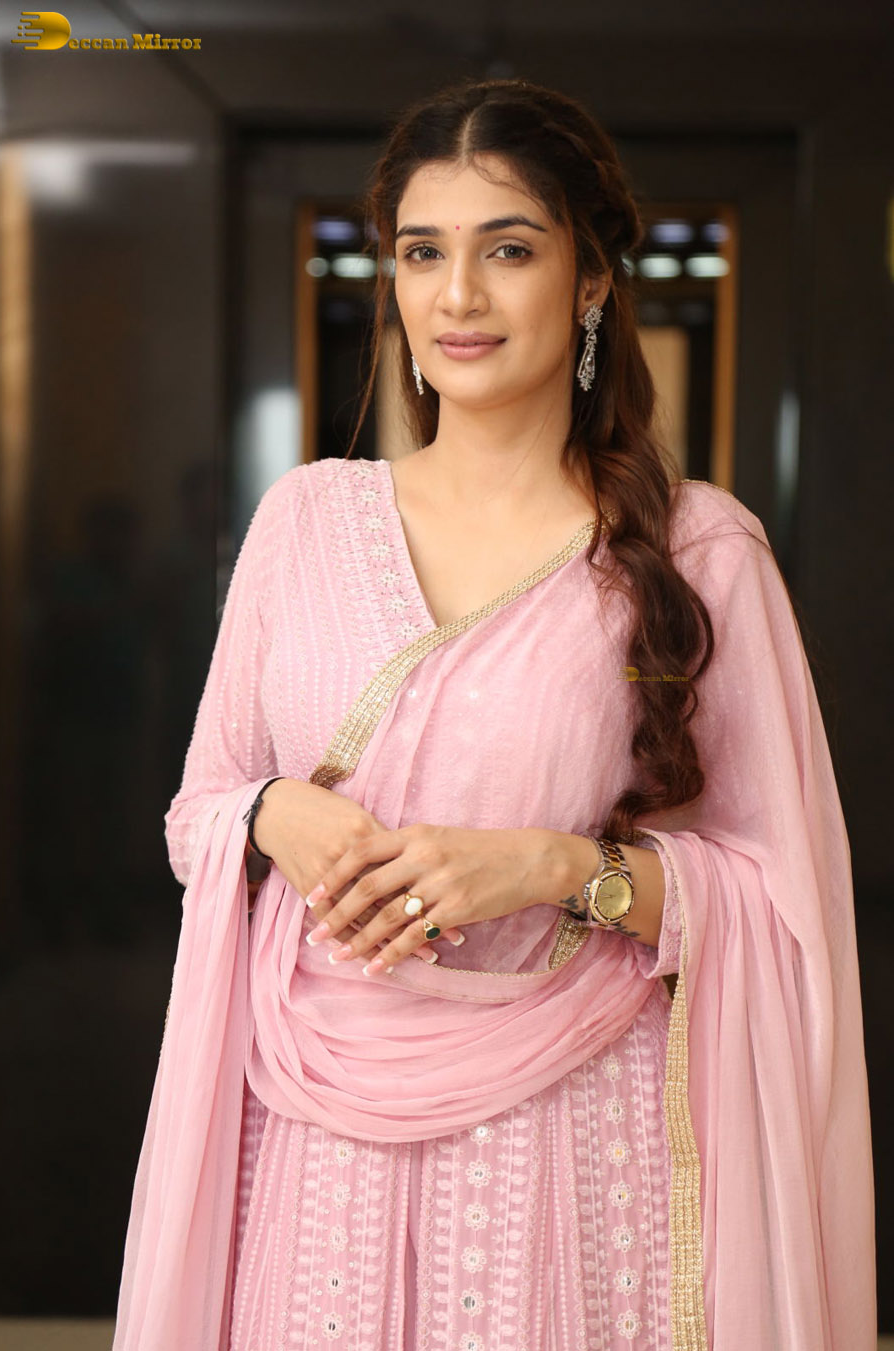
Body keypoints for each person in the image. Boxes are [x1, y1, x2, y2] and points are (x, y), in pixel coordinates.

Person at [112, 77, 876, 1351]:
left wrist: (559, 868)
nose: (457, 294)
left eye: (508, 250)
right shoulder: (305, 522)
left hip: (574, 1153)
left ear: (590, 282)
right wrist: (274, 813)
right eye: (423, 252)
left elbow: (782, 900)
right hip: (313, 1149)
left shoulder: (700, 551)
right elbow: (200, 812)